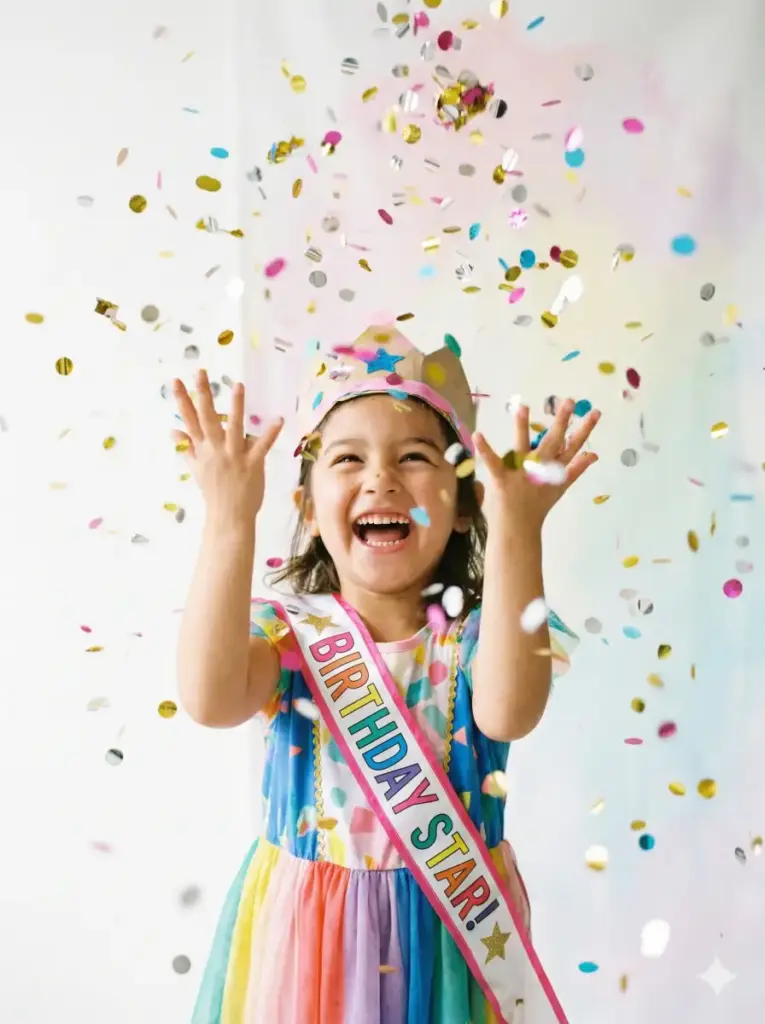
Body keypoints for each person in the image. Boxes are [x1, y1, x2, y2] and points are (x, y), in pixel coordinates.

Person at [173, 325, 600, 1024]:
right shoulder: (288, 635)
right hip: (307, 949)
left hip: (452, 942)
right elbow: (210, 698)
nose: (381, 477)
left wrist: (518, 528)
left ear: (464, 509)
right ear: (308, 511)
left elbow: (509, 713)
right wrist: (228, 519)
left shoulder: (481, 638)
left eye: (413, 455)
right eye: (347, 458)